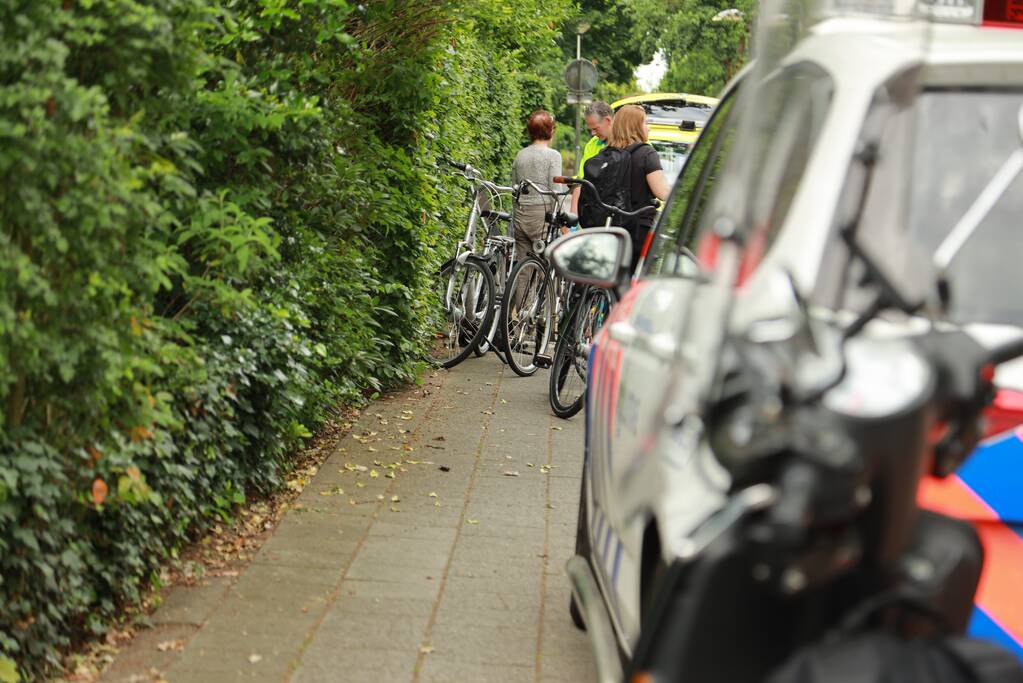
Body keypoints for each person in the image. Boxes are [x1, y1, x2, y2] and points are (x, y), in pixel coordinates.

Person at [605, 104, 670, 270]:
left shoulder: (607, 153)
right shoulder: (647, 154)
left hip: (611, 227)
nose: (648, 127)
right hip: (639, 230)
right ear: (635, 126)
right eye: (645, 122)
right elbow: (662, 193)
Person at [511, 110, 565, 257]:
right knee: (543, 263)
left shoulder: (520, 154)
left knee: (523, 266)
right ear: (551, 131)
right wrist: (563, 220)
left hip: (520, 214)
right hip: (541, 216)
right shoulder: (553, 156)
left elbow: (515, 188)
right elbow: (556, 191)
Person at [570, 101, 615, 217]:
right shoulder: (592, 144)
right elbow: (581, 181)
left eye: (595, 128)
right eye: (591, 129)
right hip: (596, 215)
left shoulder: (631, 142)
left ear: (608, 121)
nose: (593, 133)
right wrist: (573, 217)